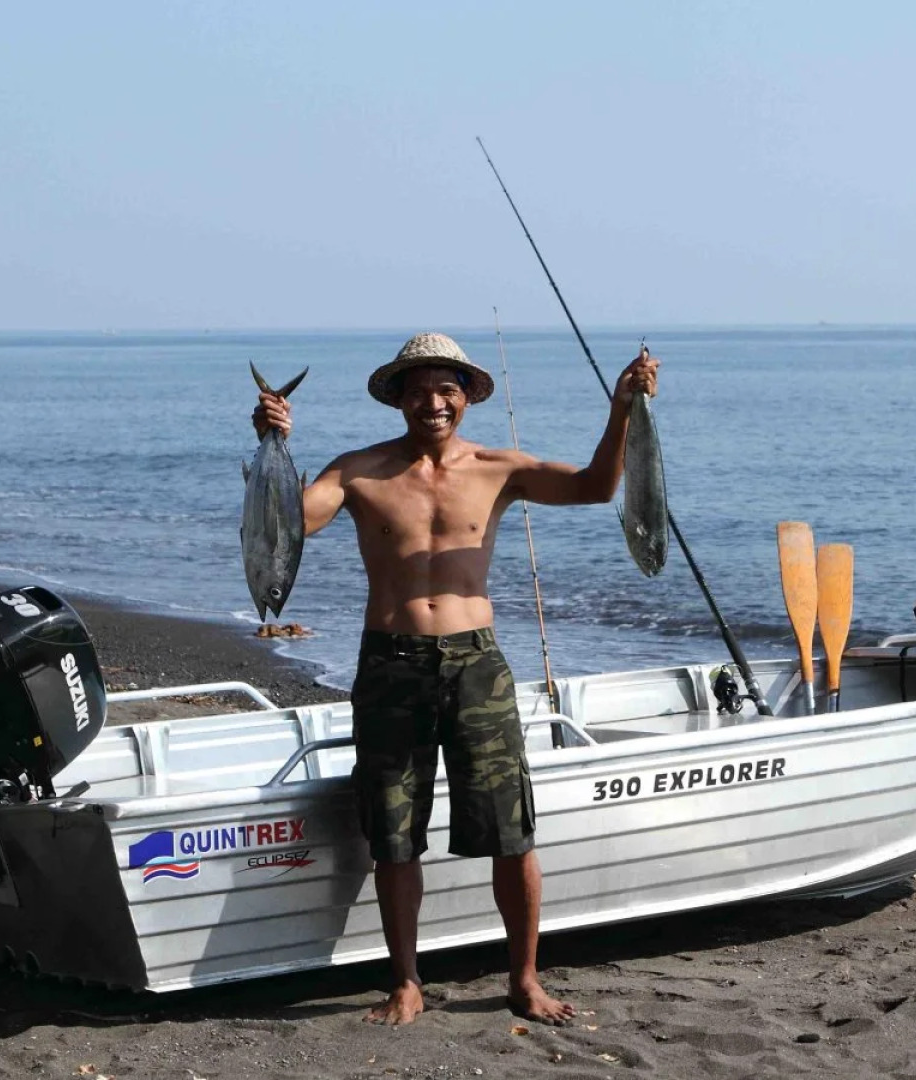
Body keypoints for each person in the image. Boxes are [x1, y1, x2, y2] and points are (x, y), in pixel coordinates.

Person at [252, 331, 659, 1026]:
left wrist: (623, 407)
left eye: (447, 389)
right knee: (393, 832)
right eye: (418, 390)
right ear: (397, 399)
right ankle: (406, 981)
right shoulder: (358, 471)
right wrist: (272, 440)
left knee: (510, 829)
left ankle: (524, 979)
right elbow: (290, 523)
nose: (433, 402)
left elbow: (596, 488)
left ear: (467, 397)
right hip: (391, 665)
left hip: (477, 665)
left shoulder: (501, 467)